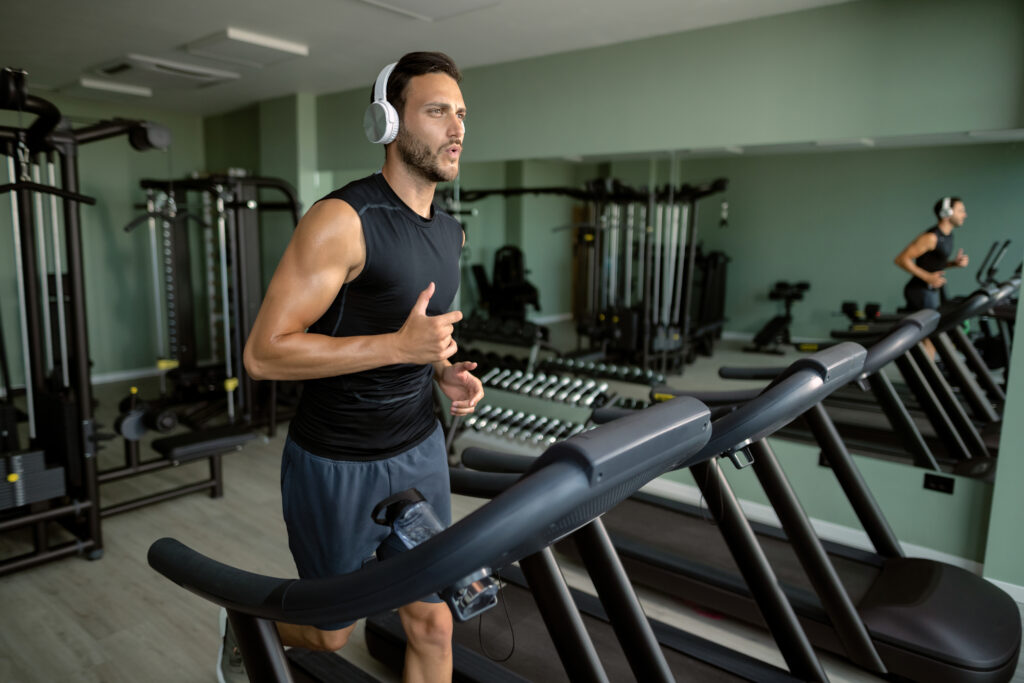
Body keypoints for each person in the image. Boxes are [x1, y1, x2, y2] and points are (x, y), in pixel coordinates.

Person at [226, 52, 481, 683]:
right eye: (437, 111)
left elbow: (419, 335)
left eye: (461, 113)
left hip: (420, 447)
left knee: (434, 621)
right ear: (387, 123)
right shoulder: (342, 220)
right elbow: (263, 353)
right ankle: (246, 624)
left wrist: (442, 370)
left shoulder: (451, 234)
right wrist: (399, 348)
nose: (457, 129)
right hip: (337, 460)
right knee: (329, 631)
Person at [894, 196, 969, 357]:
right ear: (947, 212)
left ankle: (927, 374)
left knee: (933, 335)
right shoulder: (931, 237)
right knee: (930, 336)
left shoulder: (948, 235)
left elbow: (932, 262)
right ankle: (925, 376)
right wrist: (928, 277)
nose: (965, 215)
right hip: (920, 291)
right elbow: (901, 259)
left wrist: (953, 264)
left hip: (933, 290)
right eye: (961, 211)